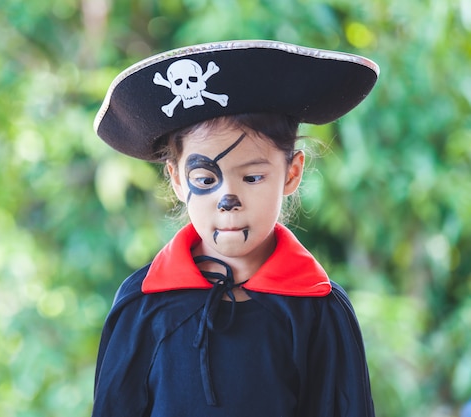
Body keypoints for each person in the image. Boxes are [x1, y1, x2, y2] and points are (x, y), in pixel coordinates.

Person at [91, 40, 379, 417]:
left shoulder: (318, 310)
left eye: (254, 176)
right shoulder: (142, 306)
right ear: (177, 179)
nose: (229, 199)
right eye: (205, 179)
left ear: (292, 173)